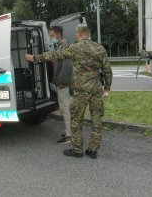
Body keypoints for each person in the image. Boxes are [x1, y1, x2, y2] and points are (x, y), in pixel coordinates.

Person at [26, 24, 112, 159]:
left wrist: (35, 58)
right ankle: (93, 150)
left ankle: (77, 150)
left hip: (81, 91)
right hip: (96, 90)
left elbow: (56, 55)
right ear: (88, 34)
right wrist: (107, 88)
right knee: (97, 120)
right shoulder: (99, 48)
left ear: (79, 34)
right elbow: (107, 70)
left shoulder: (75, 47)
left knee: (76, 120)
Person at [49, 26, 73, 144]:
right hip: (60, 82)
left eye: (52, 35)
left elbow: (67, 66)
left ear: (58, 34)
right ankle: (69, 131)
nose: (51, 37)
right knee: (65, 107)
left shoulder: (66, 46)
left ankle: (69, 135)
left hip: (63, 83)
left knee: (65, 108)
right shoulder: (60, 46)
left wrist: (63, 81)